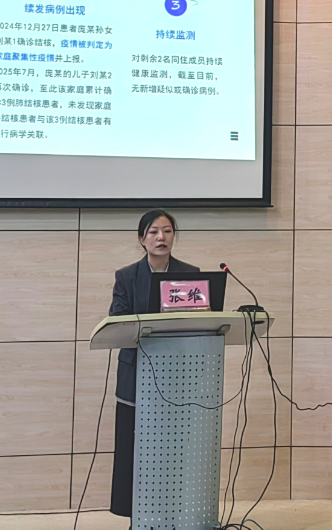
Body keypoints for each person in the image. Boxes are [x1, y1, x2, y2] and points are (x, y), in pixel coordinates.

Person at [108, 209, 199, 518]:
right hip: (136, 375)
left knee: (173, 451)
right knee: (132, 451)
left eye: (168, 231)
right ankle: (135, 517)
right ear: (141, 239)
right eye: (154, 232)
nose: (161, 237)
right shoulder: (126, 276)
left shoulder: (190, 274)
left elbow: (199, 318)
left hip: (176, 375)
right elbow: (118, 321)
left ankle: (175, 515)